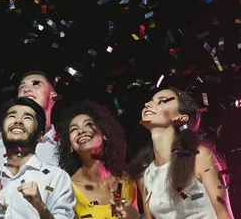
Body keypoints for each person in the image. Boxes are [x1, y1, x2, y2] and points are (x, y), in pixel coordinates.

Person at [127, 87, 234, 219]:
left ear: (181, 118)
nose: (147, 104)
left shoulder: (198, 156)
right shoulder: (145, 174)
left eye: (161, 101)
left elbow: (224, 214)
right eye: (150, 101)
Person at [0, 97, 75, 219]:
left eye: (27, 117)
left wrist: (40, 206)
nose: (18, 121)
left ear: (40, 135)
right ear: (0, 133)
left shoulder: (57, 177)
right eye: (11, 116)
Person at [56, 100, 137, 218]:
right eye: (74, 129)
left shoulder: (126, 181)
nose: (81, 131)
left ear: (105, 134)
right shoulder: (68, 189)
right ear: (70, 147)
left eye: (88, 124)